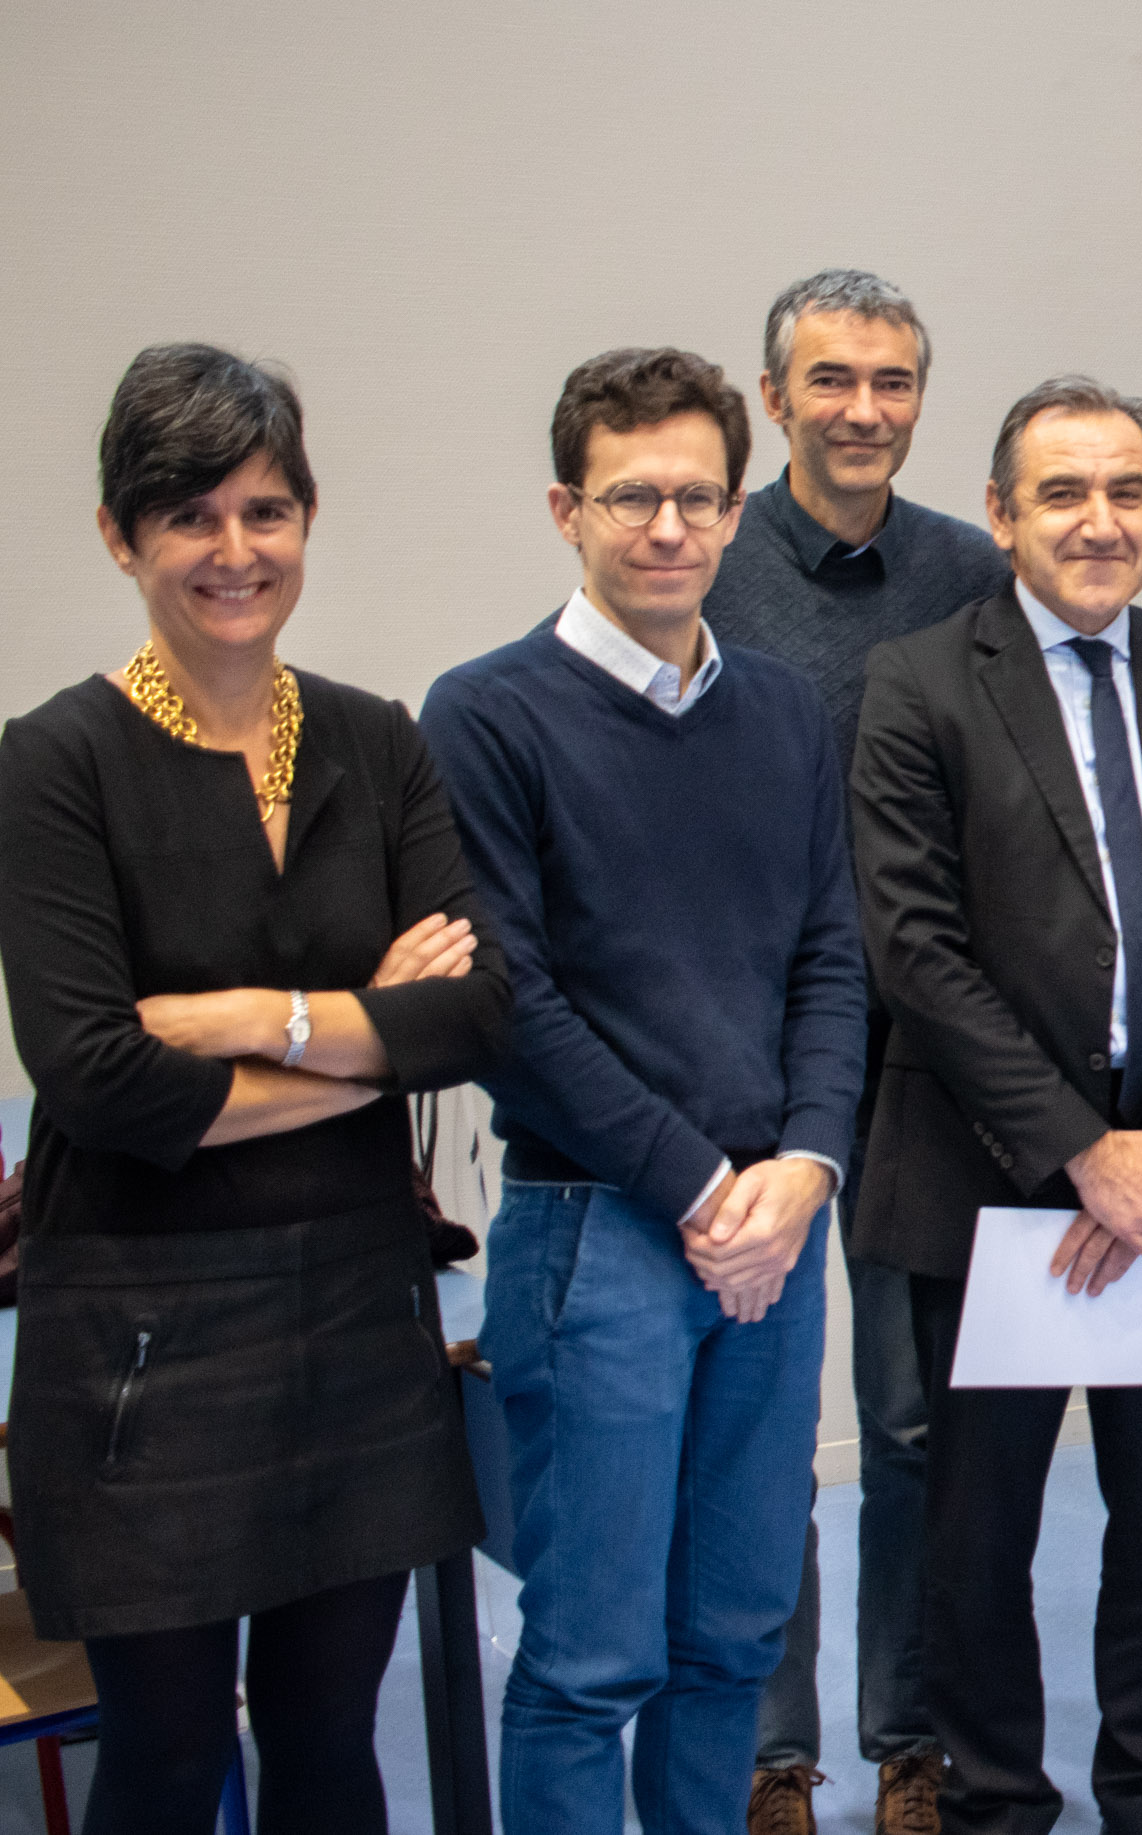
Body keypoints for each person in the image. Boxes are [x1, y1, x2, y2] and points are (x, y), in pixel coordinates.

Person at [0, 343, 508, 1831]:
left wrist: (246, 1019)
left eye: (266, 511)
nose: (236, 552)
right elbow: (95, 1078)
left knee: (330, 1743)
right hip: (147, 1355)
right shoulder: (54, 765)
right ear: (121, 537)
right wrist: (367, 1040)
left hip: (357, 1315)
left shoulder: (375, 737)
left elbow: (476, 1018)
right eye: (191, 517)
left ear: (307, 518)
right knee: (164, 1761)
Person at [423, 346, 866, 1835]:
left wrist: (805, 1168)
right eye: (631, 498)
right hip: (597, 1227)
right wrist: (700, 1188)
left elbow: (830, 956)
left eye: (696, 496)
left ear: (738, 511)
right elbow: (511, 1006)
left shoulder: (788, 713)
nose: (667, 528)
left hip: (775, 1236)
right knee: (591, 1656)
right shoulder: (486, 715)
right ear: (566, 508)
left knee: (734, 1633)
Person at [848, 374, 1142, 1835]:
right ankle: (992, 1803)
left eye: (1127, 493)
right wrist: (1074, 1151)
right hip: (986, 1181)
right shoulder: (917, 684)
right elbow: (913, 949)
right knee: (978, 1537)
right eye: (1062, 493)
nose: (1098, 523)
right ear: (999, 513)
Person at [705, 267, 1007, 1835]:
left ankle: (907, 1734)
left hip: (912, 1075)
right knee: (760, 1434)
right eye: (832, 381)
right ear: (776, 403)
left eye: (892, 382)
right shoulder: (705, 561)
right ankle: (771, 1752)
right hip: (737, 1071)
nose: (864, 409)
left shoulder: (969, 571)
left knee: (905, 1423)